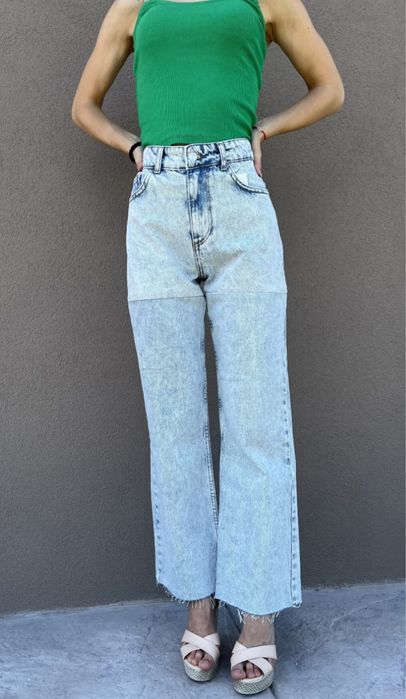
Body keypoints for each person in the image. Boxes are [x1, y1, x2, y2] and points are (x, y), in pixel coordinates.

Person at [71, 0, 344, 693]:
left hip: (238, 198)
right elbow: (84, 105)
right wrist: (135, 149)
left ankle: (257, 612)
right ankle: (199, 603)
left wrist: (265, 130)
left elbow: (330, 88)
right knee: (175, 425)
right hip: (155, 210)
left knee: (257, 422)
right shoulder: (136, 4)